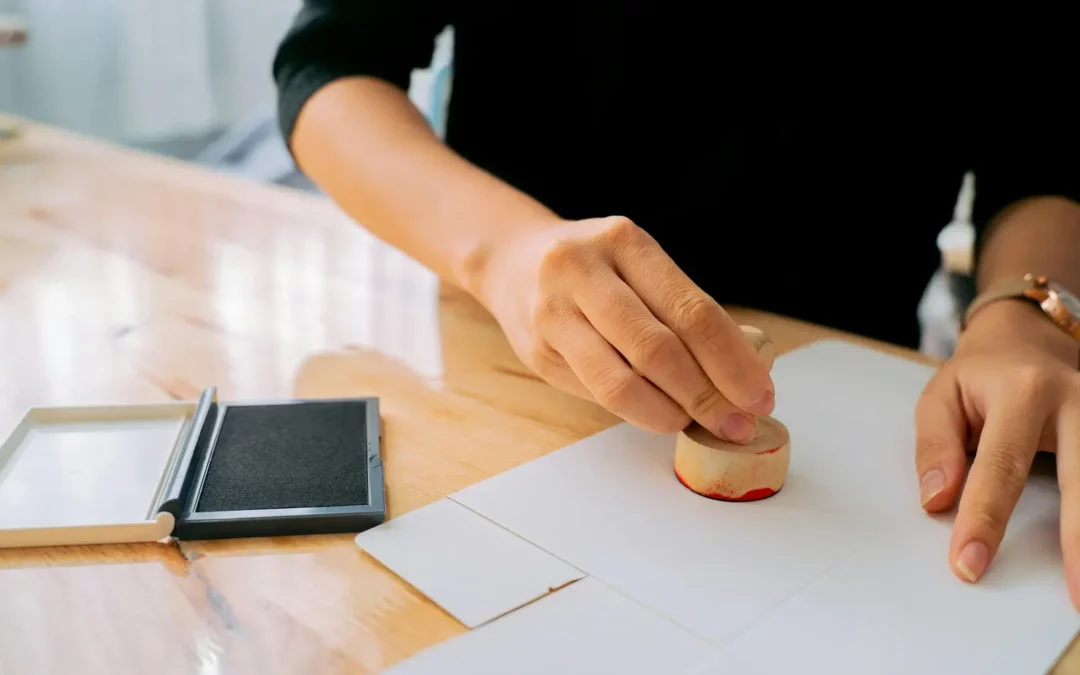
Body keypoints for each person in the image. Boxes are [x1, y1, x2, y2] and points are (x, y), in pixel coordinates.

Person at [272, 4, 1080, 607]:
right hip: (509, 383)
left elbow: (1043, 142)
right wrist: (507, 250)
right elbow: (328, 65)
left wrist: (1029, 313)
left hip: (863, 428)